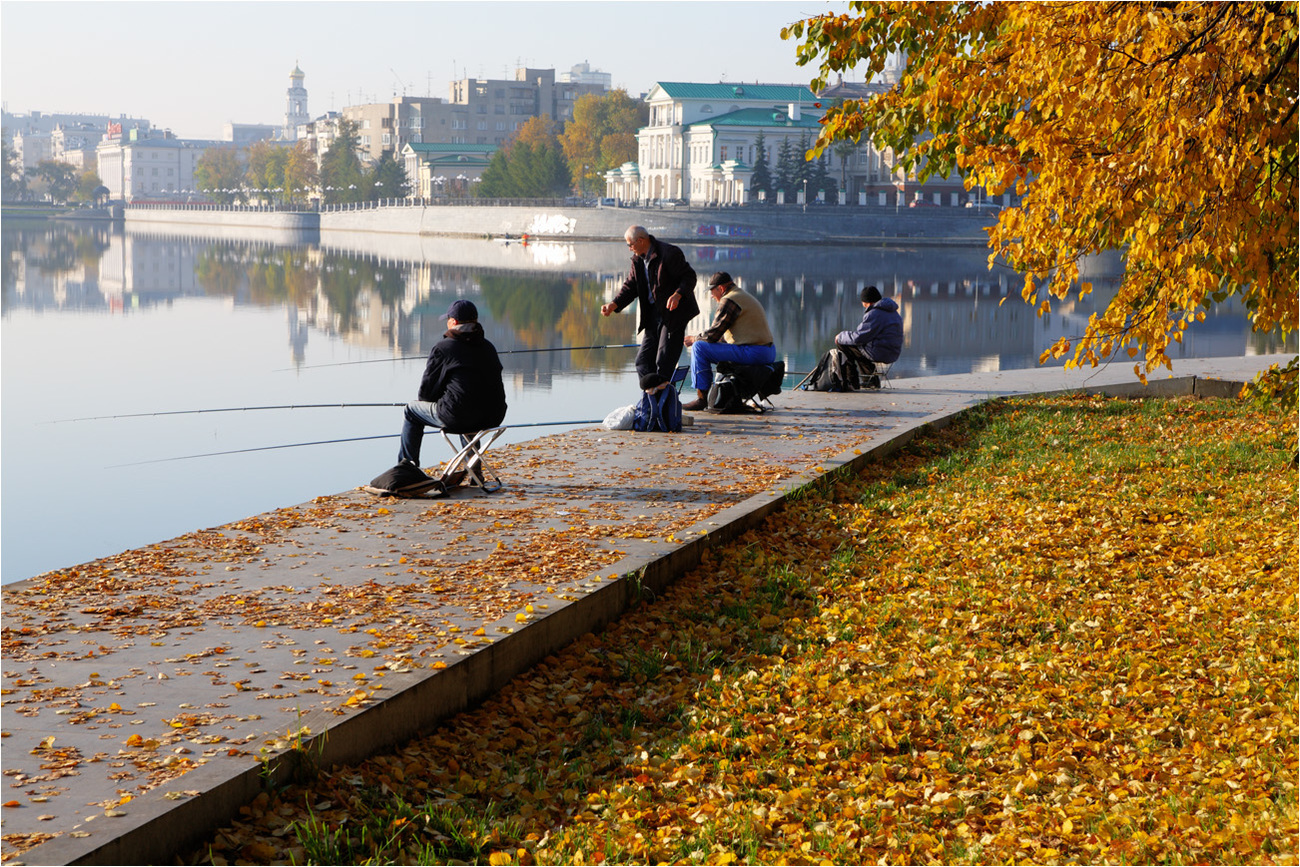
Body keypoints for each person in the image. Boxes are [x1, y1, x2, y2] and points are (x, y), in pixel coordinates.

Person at [398, 299, 507, 467]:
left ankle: (407, 469)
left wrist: (442, 396)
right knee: (468, 406)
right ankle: (474, 471)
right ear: (475, 321)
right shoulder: (488, 347)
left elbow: (425, 395)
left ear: (453, 322)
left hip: (459, 417)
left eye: (447, 320)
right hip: (494, 416)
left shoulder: (444, 348)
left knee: (411, 410)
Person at [602, 225, 701, 383]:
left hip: (673, 314)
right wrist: (614, 305)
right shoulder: (637, 259)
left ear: (640, 241)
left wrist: (678, 295)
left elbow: (689, 277)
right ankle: (652, 398)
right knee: (642, 362)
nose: (629, 249)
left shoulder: (669, 253)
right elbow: (631, 286)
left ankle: (663, 401)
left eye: (630, 245)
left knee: (664, 361)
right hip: (652, 315)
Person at [681, 271, 777, 411]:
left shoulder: (729, 300)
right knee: (703, 346)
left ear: (721, 289)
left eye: (712, 292)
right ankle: (712, 395)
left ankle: (702, 399)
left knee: (698, 348)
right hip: (767, 351)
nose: (712, 297)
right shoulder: (742, 295)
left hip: (754, 351)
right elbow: (720, 336)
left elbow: (713, 335)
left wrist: (694, 338)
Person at [835, 285, 903, 386]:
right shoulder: (893, 312)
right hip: (893, 352)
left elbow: (859, 337)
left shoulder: (875, 313)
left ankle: (852, 380)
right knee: (860, 347)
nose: (862, 304)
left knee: (844, 344)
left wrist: (840, 336)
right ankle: (870, 380)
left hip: (880, 351)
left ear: (868, 302)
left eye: (863, 301)